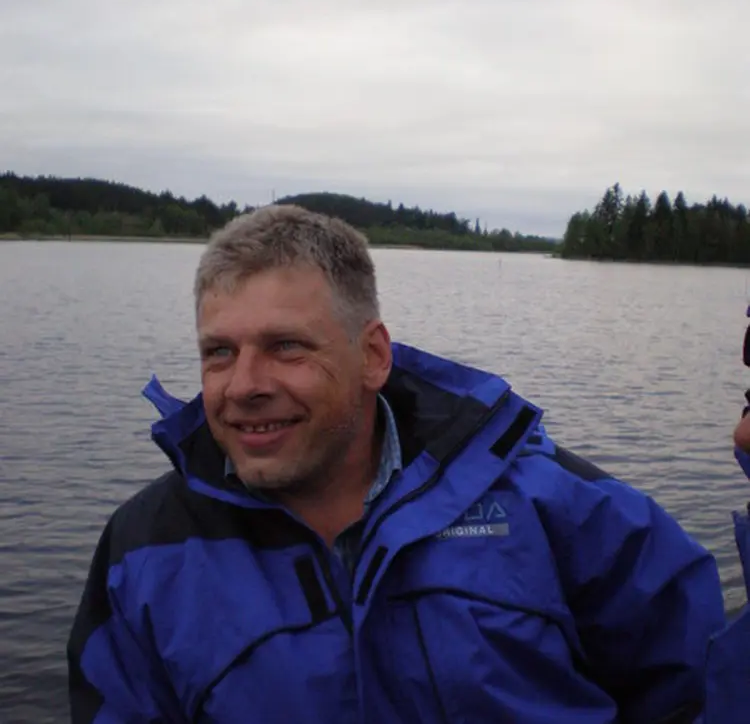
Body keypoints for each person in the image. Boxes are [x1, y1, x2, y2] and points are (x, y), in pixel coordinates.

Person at [67, 204, 728, 724]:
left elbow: (703, 691)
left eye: (286, 347)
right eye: (219, 353)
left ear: (374, 357)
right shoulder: (145, 555)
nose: (243, 386)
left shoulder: (555, 508)